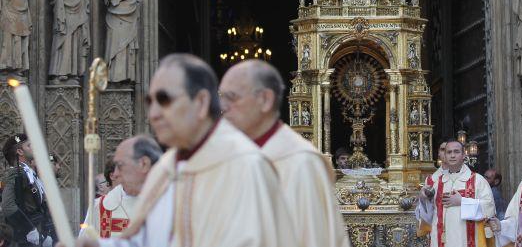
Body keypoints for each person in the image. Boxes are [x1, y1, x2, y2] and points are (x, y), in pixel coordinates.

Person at [65, 53, 296, 247]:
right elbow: (148, 240)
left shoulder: (245, 166)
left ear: (202, 102)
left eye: (164, 100)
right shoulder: (165, 169)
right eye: (150, 102)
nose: (154, 113)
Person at [220, 60, 349, 247]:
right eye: (221, 98)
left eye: (231, 98)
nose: (224, 108)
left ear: (265, 99)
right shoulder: (230, 156)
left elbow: (313, 239)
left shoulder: (301, 163)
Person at [416, 140, 495, 247]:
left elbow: (489, 208)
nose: (452, 155)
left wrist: (462, 202)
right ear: (444, 155)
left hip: (467, 240)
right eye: (449, 152)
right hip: (441, 240)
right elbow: (428, 216)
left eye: (456, 152)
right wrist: (424, 199)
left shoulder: (478, 181)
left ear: (463, 155)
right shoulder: (436, 183)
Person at [80, 136, 162, 238]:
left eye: (120, 166)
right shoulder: (99, 207)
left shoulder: (166, 203)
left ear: (144, 164)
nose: (116, 173)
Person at [2, 134, 54, 247]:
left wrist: (45, 233)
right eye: (29, 145)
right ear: (20, 152)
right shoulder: (16, 172)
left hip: (36, 233)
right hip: (24, 238)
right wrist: (28, 229)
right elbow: (8, 205)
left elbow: (39, 207)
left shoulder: (28, 173)